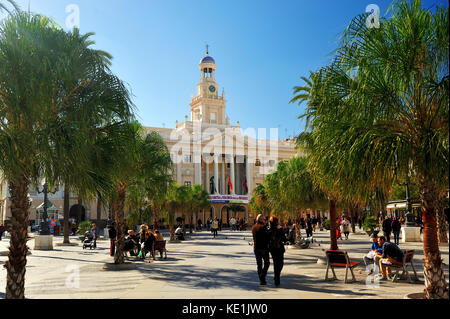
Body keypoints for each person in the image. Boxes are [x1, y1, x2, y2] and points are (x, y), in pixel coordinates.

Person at [268, 216, 287, 287]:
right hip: (274, 249)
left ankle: (276, 275)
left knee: (280, 264)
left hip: (279, 248)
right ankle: (277, 278)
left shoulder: (279, 229)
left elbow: (284, 238)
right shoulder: (270, 230)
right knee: (277, 263)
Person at [251, 214, 270, 285]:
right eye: (264, 219)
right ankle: (263, 276)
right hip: (264, 248)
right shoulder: (263, 227)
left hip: (256, 248)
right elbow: (267, 237)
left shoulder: (253, 227)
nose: (265, 221)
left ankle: (261, 280)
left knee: (259, 264)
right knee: (267, 263)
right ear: (261, 220)